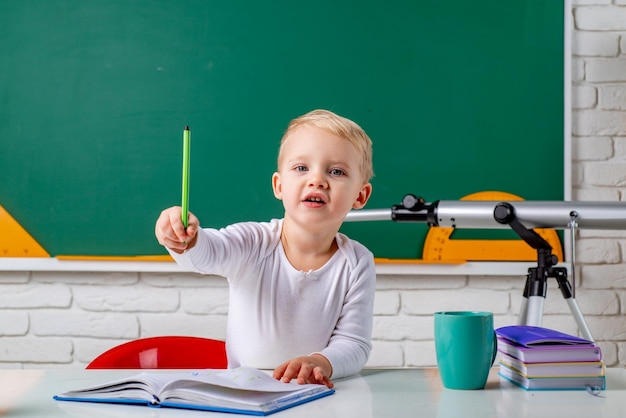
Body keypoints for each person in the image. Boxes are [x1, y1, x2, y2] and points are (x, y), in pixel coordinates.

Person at [155, 109, 375, 389]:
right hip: (245, 394)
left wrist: (320, 362)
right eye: (301, 168)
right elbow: (207, 254)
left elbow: (354, 343)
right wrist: (184, 239)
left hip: (315, 396)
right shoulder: (253, 242)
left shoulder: (357, 262)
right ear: (279, 185)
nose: (317, 180)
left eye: (336, 171)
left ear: (360, 195)